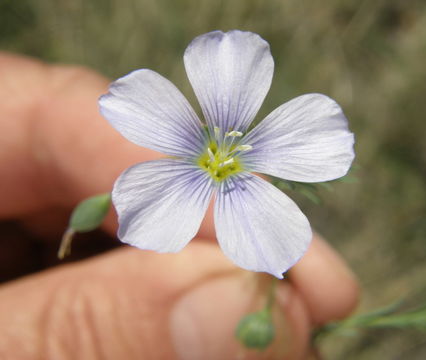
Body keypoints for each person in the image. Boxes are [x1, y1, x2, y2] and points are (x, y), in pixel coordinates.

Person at [0, 52, 359, 359]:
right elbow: (132, 113)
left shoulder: (235, 158)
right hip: (188, 182)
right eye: (218, 158)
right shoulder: (184, 166)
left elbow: (271, 240)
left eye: (223, 160)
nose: (220, 160)